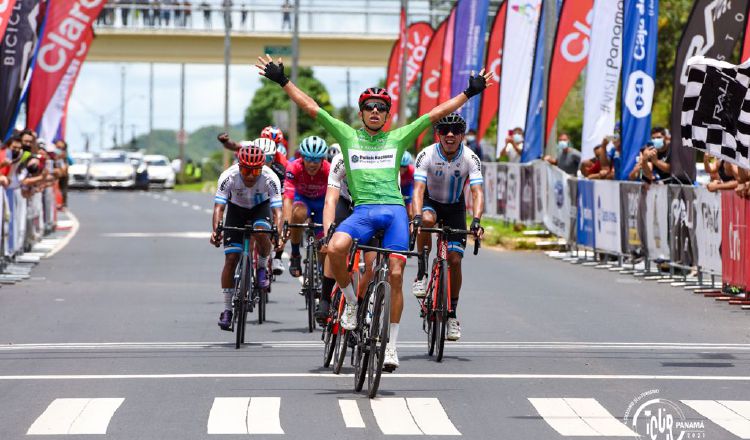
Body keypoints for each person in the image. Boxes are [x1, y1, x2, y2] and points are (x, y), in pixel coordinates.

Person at [255, 53, 493, 369]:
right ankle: (351, 303)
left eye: (381, 108)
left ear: (388, 115)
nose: (376, 112)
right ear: (361, 113)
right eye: (370, 107)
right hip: (363, 212)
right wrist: (283, 81)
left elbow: (437, 113)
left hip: (394, 211)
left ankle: (391, 347)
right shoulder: (347, 135)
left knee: (395, 274)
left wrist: (469, 92)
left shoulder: (398, 137)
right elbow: (312, 107)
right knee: (335, 249)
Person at [410, 113, 484, 341]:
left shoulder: (471, 157)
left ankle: (451, 314)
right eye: (444, 131)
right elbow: (418, 191)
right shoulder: (427, 155)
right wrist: (416, 217)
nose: (450, 135)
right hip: (432, 203)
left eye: (455, 131)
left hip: (455, 208)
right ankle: (422, 271)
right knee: (428, 221)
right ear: (438, 135)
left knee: (454, 260)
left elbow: (477, 192)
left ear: (462, 135)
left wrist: (477, 220)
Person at [210, 146, 282, 330]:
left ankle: (261, 266)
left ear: (262, 167)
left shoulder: (270, 177)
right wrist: (216, 231)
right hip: (236, 210)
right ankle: (227, 310)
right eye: (246, 170)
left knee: (261, 232)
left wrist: (278, 234)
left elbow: (278, 212)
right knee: (231, 258)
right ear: (239, 166)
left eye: (255, 170)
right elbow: (219, 208)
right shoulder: (229, 176)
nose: (250, 175)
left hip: (260, 209)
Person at [282, 136, 329, 278]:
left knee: (323, 244)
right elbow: (288, 199)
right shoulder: (294, 167)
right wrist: (286, 224)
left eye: (317, 159)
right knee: (297, 214)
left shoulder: (329, 170)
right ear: (302, 158)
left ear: (323, 159)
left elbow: (334, 200)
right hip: (302, 199)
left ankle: (323, 273)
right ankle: (295, 254)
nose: (312, 164)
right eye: (308, 159)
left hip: (322, 203)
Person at [400, 151, 415, 217]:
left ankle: (411, 224)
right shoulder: (393, 171)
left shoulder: (412, 170)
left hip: (408, 187)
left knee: (410, 212)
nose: (402, 169)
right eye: (401, 166)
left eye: (405, 166)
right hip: (397, 187)